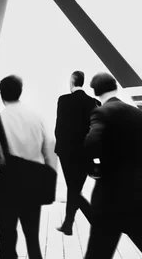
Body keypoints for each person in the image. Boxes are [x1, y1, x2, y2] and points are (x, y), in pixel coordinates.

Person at [0, 75, 57, 259]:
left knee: (6, 238)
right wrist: (49, 179)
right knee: (32, 238)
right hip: (32, 186)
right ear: (20, 92)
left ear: (1, 94)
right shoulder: (37, 118)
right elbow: (50, 149)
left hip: (7, 187)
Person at [83, 73, 142, 259]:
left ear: (95, 91)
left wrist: (95, 170)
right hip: (137, 194)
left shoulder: (102, 112)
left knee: (98, 253)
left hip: (110, 197)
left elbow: (91, 144)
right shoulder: (137, 113)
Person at [54, 71, 98, 235]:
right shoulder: (94, 102)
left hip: (67, 153)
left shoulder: (63, 100)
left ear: (72, 81)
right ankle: (68, 225)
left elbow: (59, 127)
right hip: (85, 153)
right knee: (74, 188)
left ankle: (94, 220)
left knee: (73, 189)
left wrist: (60, 146)